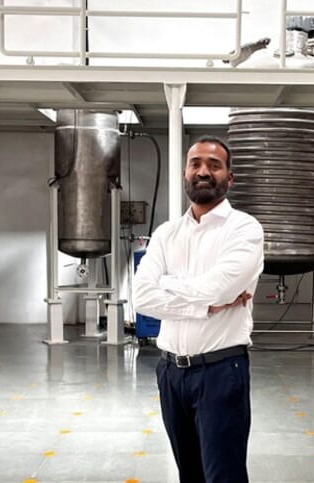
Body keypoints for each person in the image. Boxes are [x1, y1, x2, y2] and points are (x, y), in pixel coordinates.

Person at [132, 135, 264, 483]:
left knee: (224, 475)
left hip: (220, 370)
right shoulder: (166, 233)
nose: (203, 171)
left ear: (229, 178)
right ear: (186, 173)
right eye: (196, 164)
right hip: (170, 373)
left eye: (214, 165)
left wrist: (171, 285)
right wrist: (206, 305)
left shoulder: (244, 229)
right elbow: (141, 297)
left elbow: (219, 288)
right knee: (188, 473)